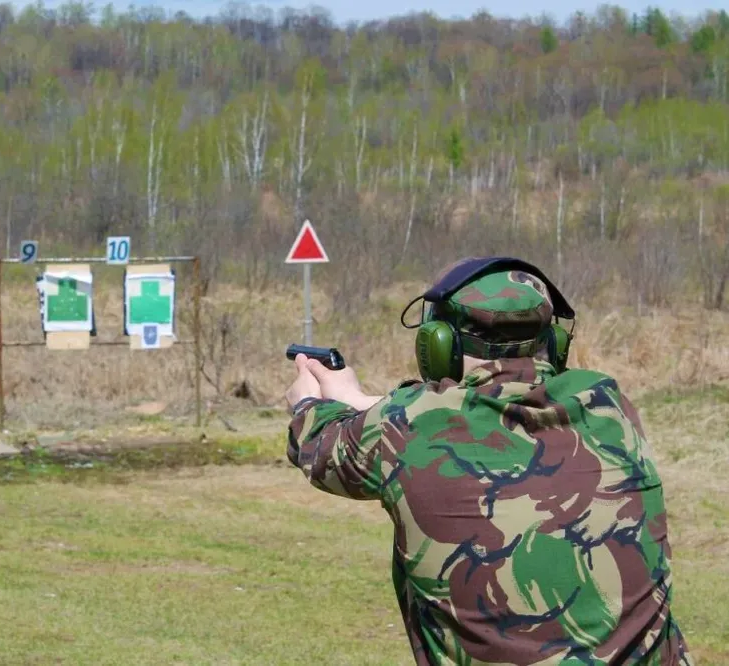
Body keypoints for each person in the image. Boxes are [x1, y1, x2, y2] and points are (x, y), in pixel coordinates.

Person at [284, 256, 693, 665]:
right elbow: (493, 417)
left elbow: (319, 446)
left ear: (439, 345)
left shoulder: (407, 427)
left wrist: (307, 400)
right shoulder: (609, 406)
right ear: (554, 344)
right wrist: (366, 402)